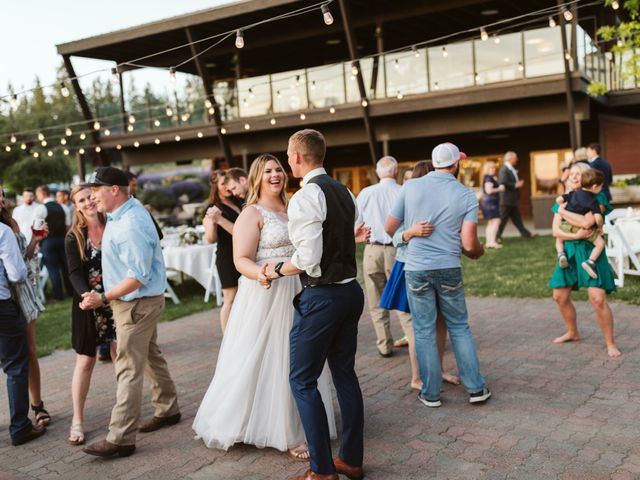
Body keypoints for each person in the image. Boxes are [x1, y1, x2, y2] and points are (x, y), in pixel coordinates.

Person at [193, 154, 336, 460]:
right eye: (268, 170)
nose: (275, 175)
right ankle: (274, 428)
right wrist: (261, 274)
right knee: (265, 355)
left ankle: (300, 423)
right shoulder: (251, 213)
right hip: (266, 292)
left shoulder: (293, 207)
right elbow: (240, 259)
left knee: (299, 356)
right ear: (257, 177)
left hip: (300, 287)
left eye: (279, 170)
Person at [262, 129, 367, 480]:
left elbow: (308, 257)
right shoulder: (344, 190)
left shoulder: (306, 196)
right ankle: (350, 460)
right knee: (344, 375)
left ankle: (322, 470)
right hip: (351, 291)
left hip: (322, 297)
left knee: (302, 380)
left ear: (295, 157)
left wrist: (277, 269)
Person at [80, 166, 180, 458]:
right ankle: (168, 408)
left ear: (114, 190)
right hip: (137, 302)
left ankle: (121, 437)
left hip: (136, 304)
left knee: (127, 367)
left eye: (96, 190)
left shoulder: (131, 223)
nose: (92, 196)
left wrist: (103, 297)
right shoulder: (123, 214)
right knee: (149, 356)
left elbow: (138, 275)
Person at [386, 142, 491, 409]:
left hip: (417, 268)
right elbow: (469, 244)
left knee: (422, 330)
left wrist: (408, 233)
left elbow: (389, 228)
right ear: (456, 164)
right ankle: (476, 388)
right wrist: (478, 252)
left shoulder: (410, 186)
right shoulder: (466, 195)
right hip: (448, 267)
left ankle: (431, 393)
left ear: (434, 163)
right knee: (459, 327)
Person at [379, 160, 460, 389]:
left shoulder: (441, 201)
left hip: (440, 267)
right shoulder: (409, 199)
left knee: (441, 321)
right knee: (418, 325)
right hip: (409, 266)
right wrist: (410, 233)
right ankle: (417, 377)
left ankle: (439, 369)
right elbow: (392, 235)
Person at [549, 162, 621, 358]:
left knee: (597, 299)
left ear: (587, 177)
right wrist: (575, 235)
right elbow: (555, 230)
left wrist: (563, 214)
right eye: (571, 174)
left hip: (591, 252)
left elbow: (588, 223)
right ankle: (572, 332)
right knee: (559, 296)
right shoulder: (564, 199)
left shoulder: (597, 196)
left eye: (578, 174)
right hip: (569, 251)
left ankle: (610, 343)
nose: (573, 177)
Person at [65, 185, 117, 446]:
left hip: (116, 299)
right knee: (85, 362)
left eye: (90, 197)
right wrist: (88, 296)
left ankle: (122, 416)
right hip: (87, 305)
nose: (88, 202)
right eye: (81, 200)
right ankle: (77, 420)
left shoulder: (114, 222)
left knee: (122, 357)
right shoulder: (74, 236)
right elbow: (74, 273)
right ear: (76, 206)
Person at [1, 187, 49, 428]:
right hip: (4, 295)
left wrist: (35, 240)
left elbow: (23, 258)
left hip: (21, 294)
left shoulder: (10, 223)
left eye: (0, 193)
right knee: (11, 357)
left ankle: (38, 404)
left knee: (29, 351)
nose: (0, 198)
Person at [355, 156, 408, 358]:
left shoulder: (367, 193)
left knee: (376, 299)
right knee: (402, 296)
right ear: (395, 172)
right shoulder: (403, 191)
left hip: (373, 250)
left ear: (378, 173)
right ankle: (411, 339)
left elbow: (356, 223)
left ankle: (385, 344)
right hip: (398, 249)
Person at [202, 169, 242, 333]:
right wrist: (212, 222)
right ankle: (228, 337)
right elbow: (210, 239)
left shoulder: (239, 201)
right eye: (223, 183)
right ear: (216, 186)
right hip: (227, 256)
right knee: (230, 299)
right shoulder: (212, 208)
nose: (227, 186)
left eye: (228, 182)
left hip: (244, 253)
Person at [555, 169, 606, 279]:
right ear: (594, 187)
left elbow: (559, 199)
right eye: (601, 186)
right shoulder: (593, 200)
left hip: (566, 225)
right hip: (581, 229)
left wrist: (562, 208)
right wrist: (600, 227)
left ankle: (561, 254)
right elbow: (597, 218)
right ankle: (590, 262)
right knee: (600, 244)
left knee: (559, 239)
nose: (601, 189)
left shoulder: (573, 193)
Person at [34, 185, 71, 300]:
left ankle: (58, 295)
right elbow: (68, 227)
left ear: (41, 194)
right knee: (66, 267)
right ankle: (70, 292)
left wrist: (37, 242)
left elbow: (38, 230)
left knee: (53, 268)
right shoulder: (63, 207)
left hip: (48, 242)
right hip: (62, 240)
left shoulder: (41, 208)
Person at [496, 151, 536, 243]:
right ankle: (496, 237)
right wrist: (515, 185)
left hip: (512, 200)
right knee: (502, 219)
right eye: (515, 158)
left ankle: (526, 234)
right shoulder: (504, 169)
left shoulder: (510, 168)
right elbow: (503, 182)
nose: (517, 159)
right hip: (506, 200)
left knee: (517, 219)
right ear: (510, 159)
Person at [480, 161, 505, 249]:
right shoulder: (488, 178)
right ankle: (492, 242)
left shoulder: (488, 177)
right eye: (492, 168)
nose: (494, 169)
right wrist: (500, 188)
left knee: (491, 223)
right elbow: (489, 191)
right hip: (490, 203)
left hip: (489, 203)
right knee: (496, 221)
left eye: (494, 168)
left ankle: (489, 242)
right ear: (487, 169)